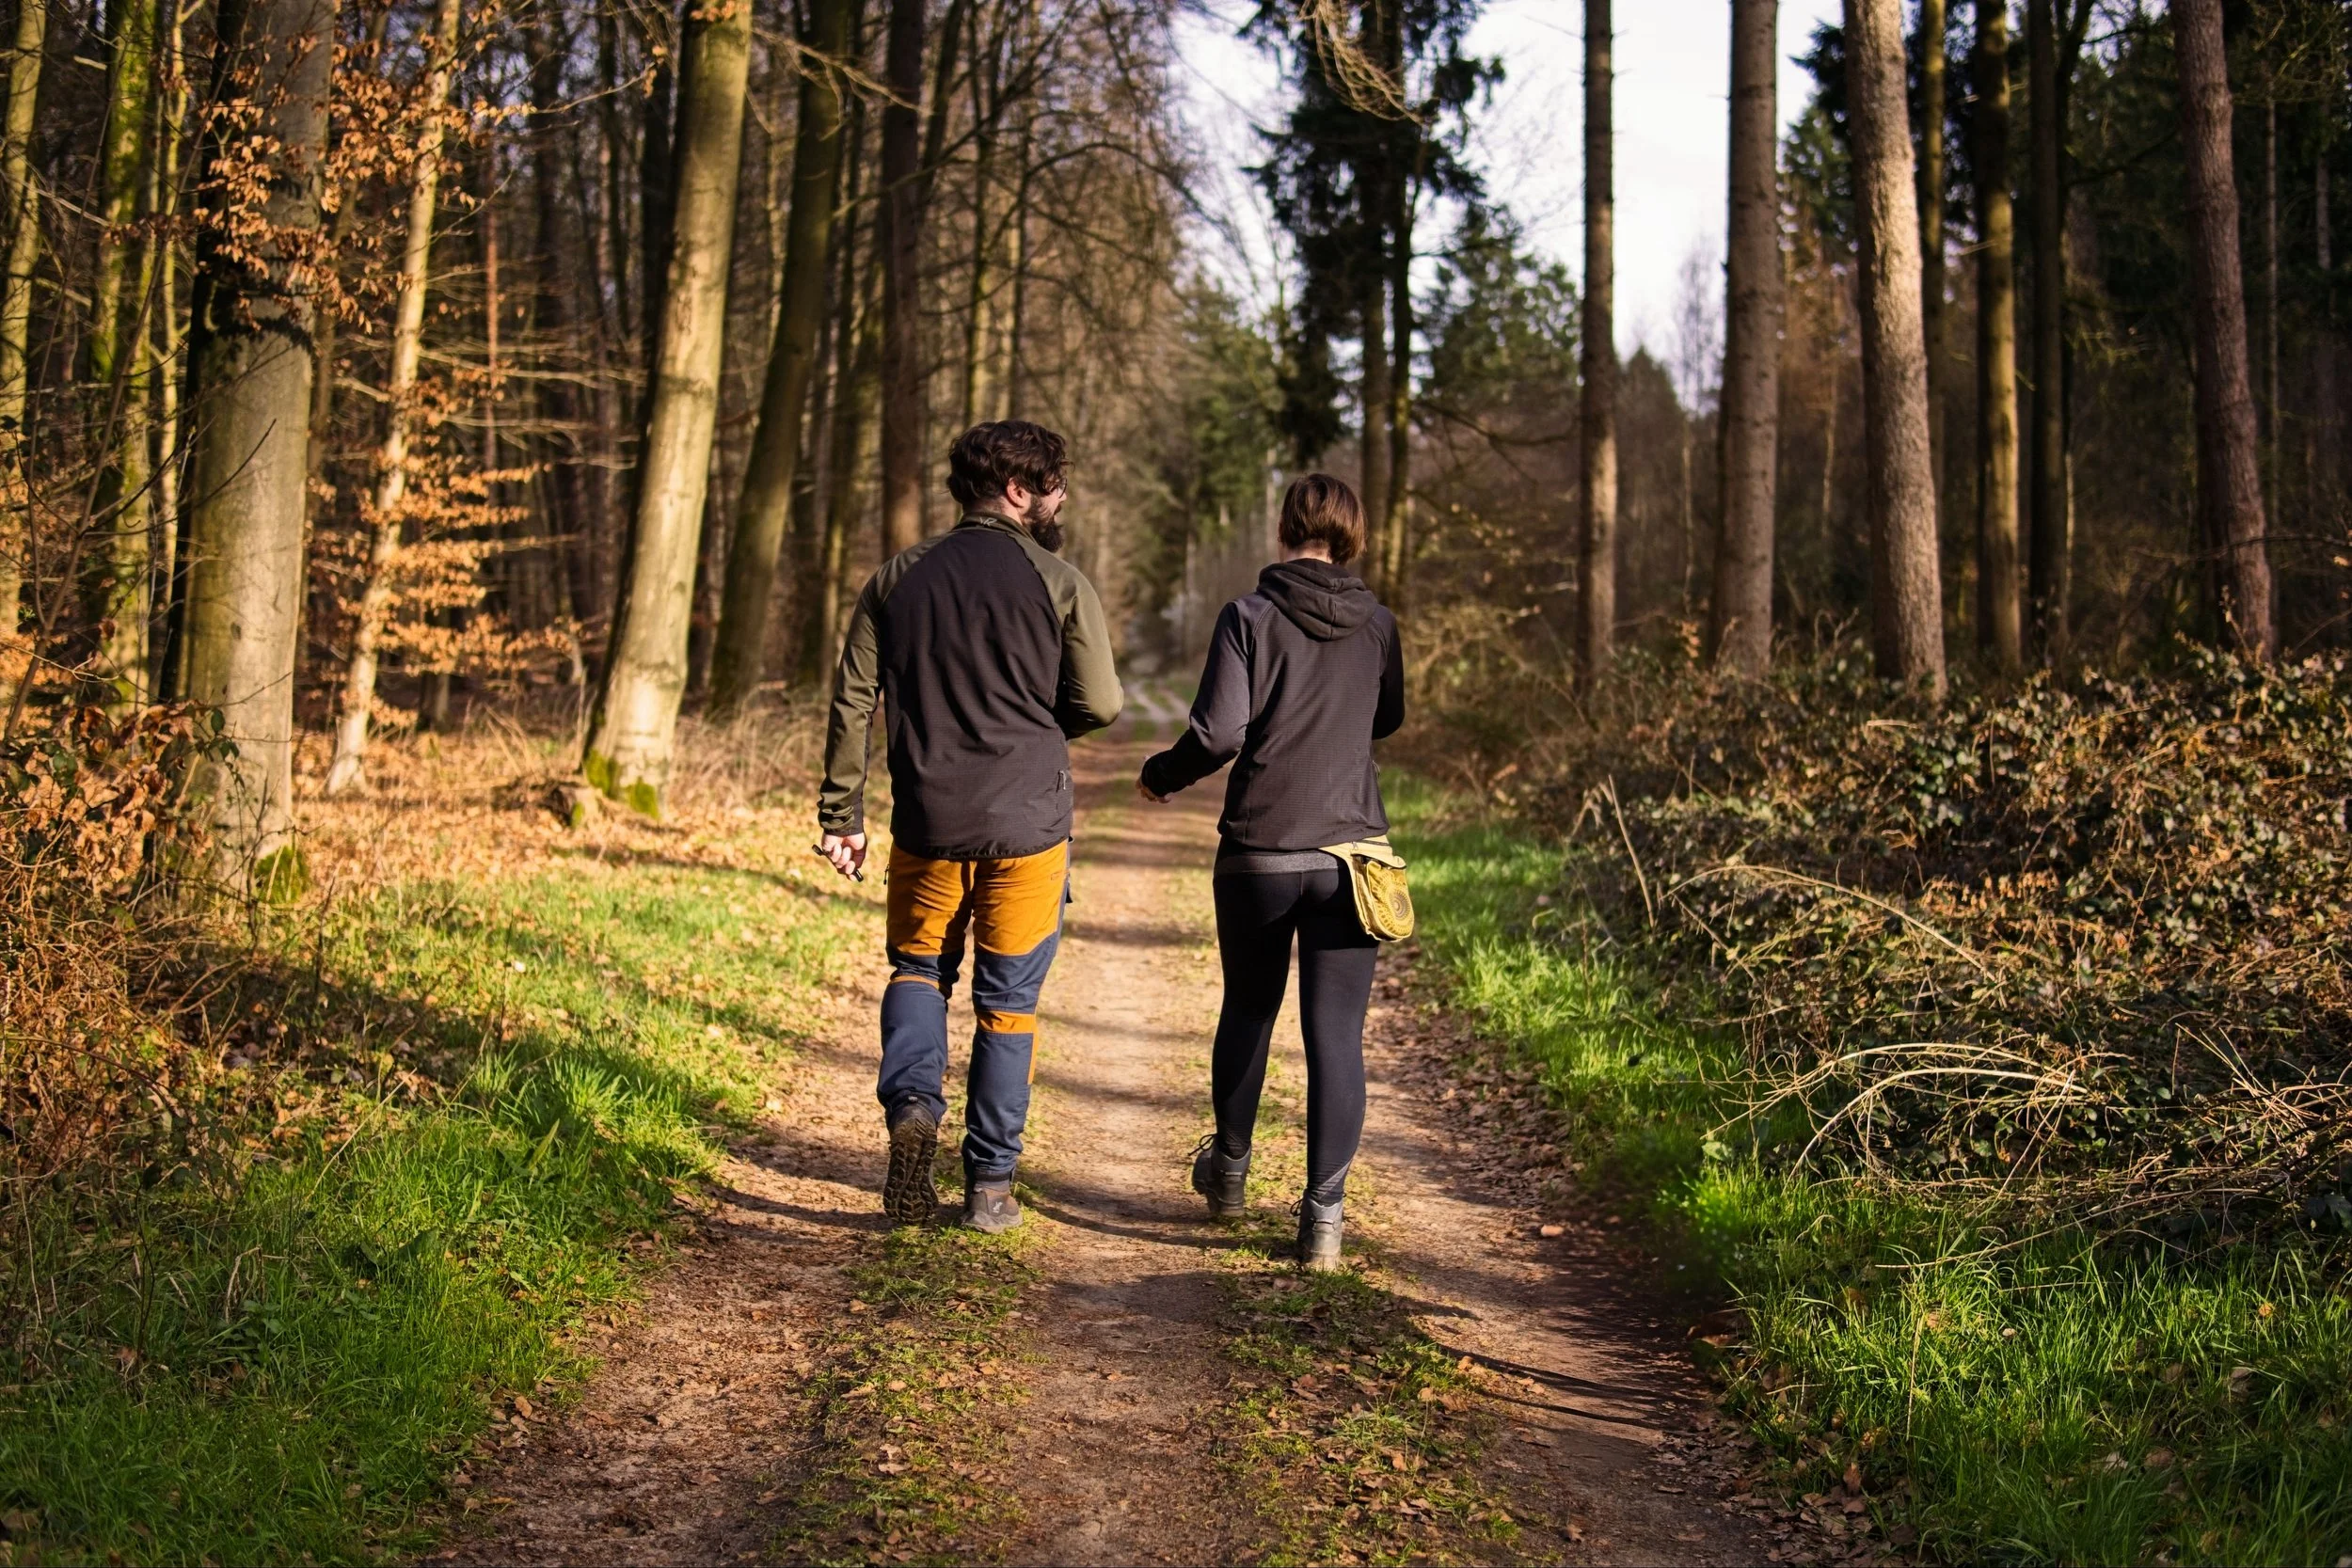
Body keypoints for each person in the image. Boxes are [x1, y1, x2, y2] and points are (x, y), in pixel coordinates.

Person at [818, 420, 1122, 1231]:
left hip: (928, 817)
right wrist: (1036, 718)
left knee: (919, 970)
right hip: (1029, 824)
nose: (1062, 500)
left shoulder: (895, 578)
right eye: (1054, 486)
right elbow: (1101, 701)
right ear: (1019, 491)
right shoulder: (1059, 582)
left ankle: (914, 1108)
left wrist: (840, 814)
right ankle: (989, 1185)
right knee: (1008, 1002)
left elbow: (853, 699)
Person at [1136, 473, 1404, 1270]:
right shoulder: (1379, 624)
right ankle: (1323, 1220)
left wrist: (1161, 771)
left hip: (1260, 851)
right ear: (1351, 536)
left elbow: (1219, 733)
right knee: (1337, 1040)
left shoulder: (1249, 616)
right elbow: (1387, 716)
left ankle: (1230, 1173)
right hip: (1353, 856)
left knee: (1250, 1008)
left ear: (1285, 528)